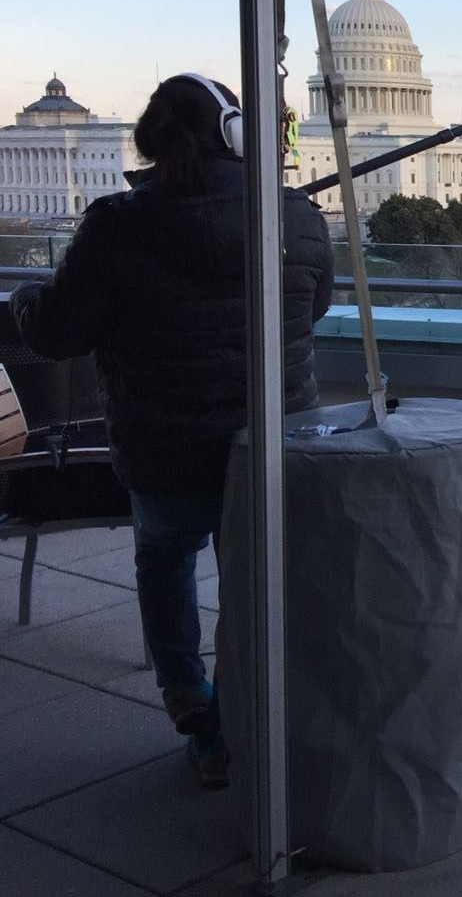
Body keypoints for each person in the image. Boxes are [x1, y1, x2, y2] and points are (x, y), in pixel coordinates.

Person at [11, 73, 333, 790]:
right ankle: (269, 710)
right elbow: (311, 310)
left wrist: (28, 298)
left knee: (165, 562)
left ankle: (196, 712)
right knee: (259, 578)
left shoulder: (117, 224)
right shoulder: (296, 215)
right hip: (274, 445)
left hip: (167, 444)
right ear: (236, 135)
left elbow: (61, 332)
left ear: (151, 141)